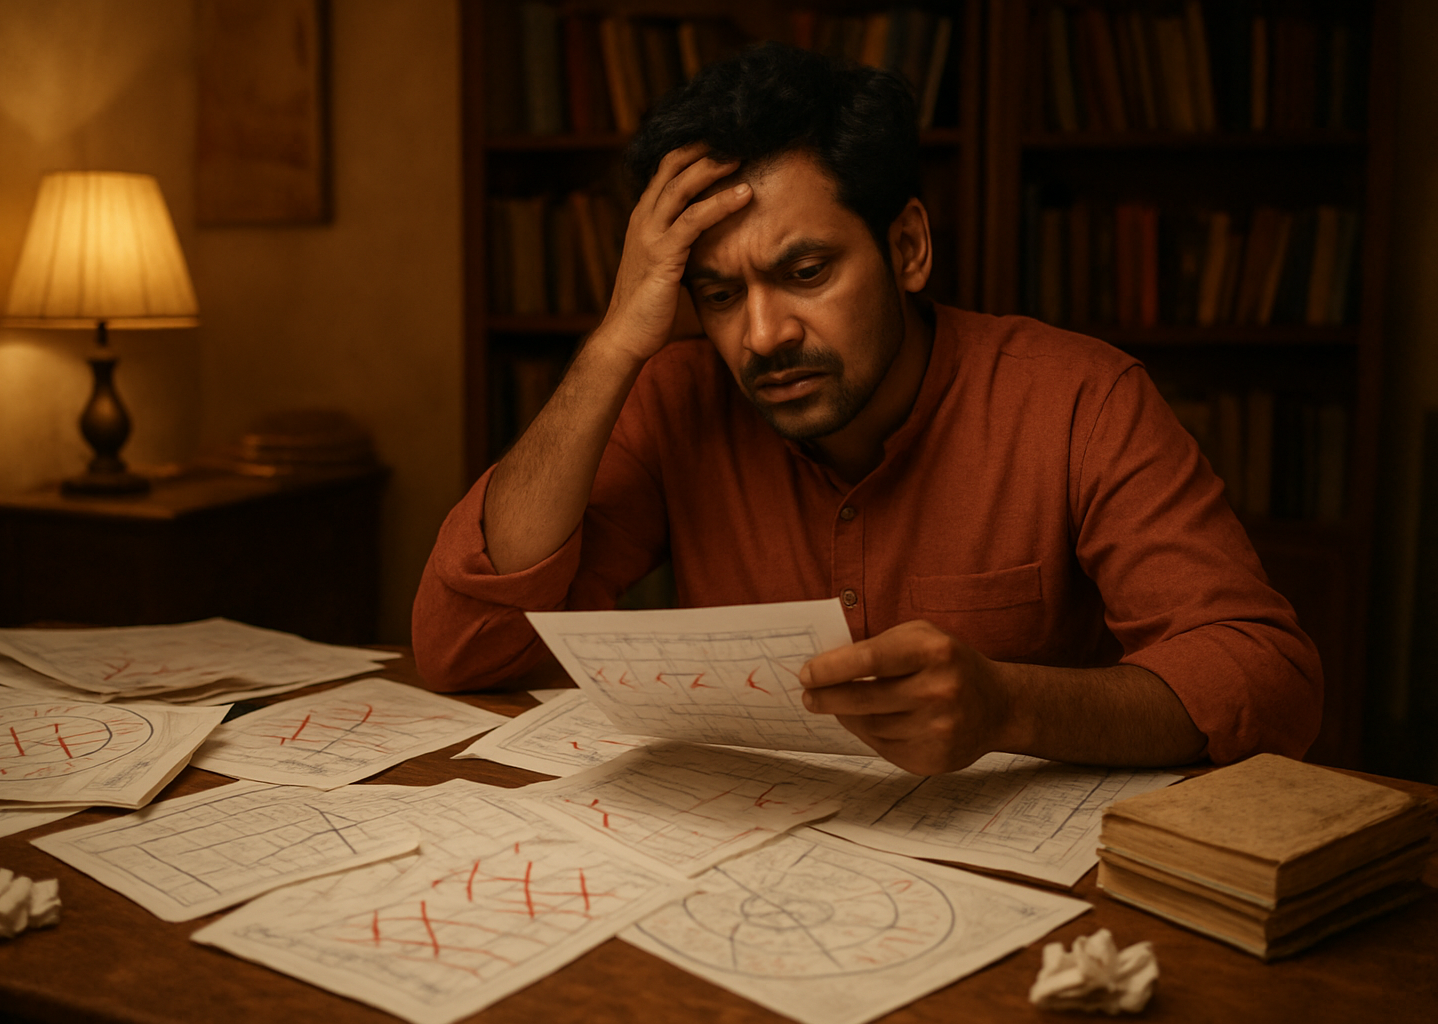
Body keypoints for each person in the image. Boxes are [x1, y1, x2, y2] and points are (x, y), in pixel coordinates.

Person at [412, 42, 1321, 775]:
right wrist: (616, 339)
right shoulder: (677, 400)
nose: (762, 335)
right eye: (718, 294)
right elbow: (464, 650)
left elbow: (1265, 676)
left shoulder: (1079, 398)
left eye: (805, 272)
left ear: (909, 247)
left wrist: (1009, 705)